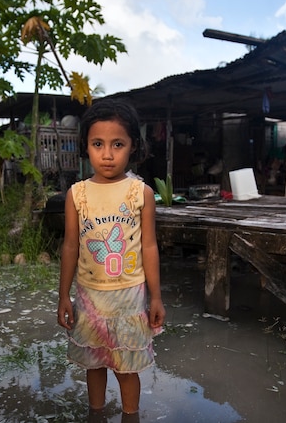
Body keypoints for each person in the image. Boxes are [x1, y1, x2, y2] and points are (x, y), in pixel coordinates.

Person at [57, 98, 165, 420]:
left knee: (126, 367)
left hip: (129, 297)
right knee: (94, 363)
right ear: (86, 146)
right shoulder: (77, 194)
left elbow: (149, 247)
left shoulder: (140, 193)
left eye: (117, 144)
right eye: (98, 144)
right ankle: (96, 413)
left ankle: (131, 415)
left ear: (133, 146)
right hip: (90, 296)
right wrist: (64, 295)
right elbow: (70, 246)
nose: (107, 154)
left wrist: (156, 297)